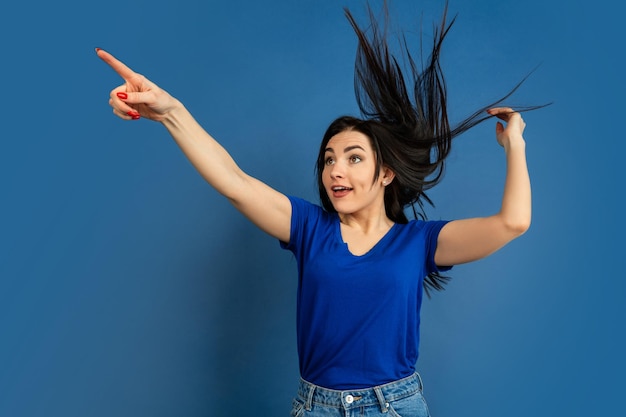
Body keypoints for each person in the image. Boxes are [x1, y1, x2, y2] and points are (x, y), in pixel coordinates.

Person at [96, 2, 542, 416]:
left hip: (395, 407)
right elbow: (234, 182)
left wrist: (514, 146)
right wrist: (171, 112)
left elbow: (513, 222)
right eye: (329, 159)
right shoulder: (310, 228)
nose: (335, 170)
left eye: (352, 157)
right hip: (317, 407)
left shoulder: (419, 243)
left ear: (385, 174)